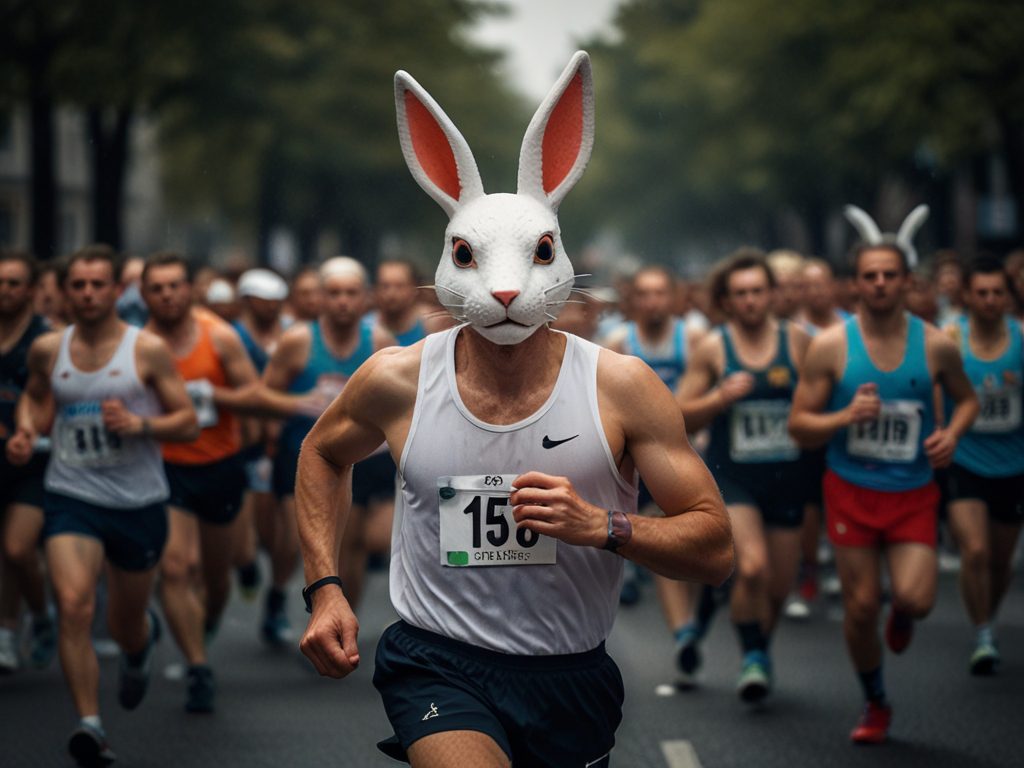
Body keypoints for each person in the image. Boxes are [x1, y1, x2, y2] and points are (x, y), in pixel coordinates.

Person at [296, 52, 733, 768]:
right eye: (468, 257)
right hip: (436, 661)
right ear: (448, 261)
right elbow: (321, 452)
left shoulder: (621, 387)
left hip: (570, 672)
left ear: (559, 260)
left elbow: (714, 549)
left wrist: (601, 526)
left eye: (536, 255)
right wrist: (325, 588)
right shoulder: (398, 379)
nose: (504, 290)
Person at [6, 244, 198, 767]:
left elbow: (186, 419)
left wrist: (141, 426)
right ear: (67, 292)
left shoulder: (146, 350)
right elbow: (37, 394)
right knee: (73, 604)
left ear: (116, 291)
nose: (87, 294)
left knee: (125, 623)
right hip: (72, 495)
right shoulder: (48, 348)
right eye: (78, 285)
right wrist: (27, 428)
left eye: (97, 285)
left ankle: (139, 648)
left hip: (138, 503)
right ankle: (90, 724)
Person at [789, 236, 978, 744]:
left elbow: (967, 401)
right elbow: (799, 425)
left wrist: (952, 435)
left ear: (907, 282)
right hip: (851, 489)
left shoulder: (936, 343)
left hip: (913, 491)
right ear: (855, 284)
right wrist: (844, 416)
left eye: (889, 275)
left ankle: (903, 611)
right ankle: (875, 701)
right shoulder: (831, 346)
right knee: (861, 606)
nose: (879, 283)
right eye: (869, 275)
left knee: (915, 601)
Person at [675, 249, 811, 702]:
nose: (750, 301)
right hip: (735, 478)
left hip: (788, 477)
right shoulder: (715, 346)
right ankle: (752, 656)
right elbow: (677, 414)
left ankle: (758, 650)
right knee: (752, 568)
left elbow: (821, 402)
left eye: (757, 291)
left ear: (772, 294)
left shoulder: (799, 342)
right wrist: (718, 399)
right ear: (727, 301)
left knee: (776, 587)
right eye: (740, 294)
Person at [140, 252, 259, 711]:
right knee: (174, 567)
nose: (168, 294)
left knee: (216, 578)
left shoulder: (220, 336)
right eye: (158, 288)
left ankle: (203, 626)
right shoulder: (138, 343)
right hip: (164, 466)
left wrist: (214, 395)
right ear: (145, 295)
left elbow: (251, 393)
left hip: (219, 464)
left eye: (175, 285)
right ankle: (197, 667)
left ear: (189, 290)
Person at [257, 256, 393, 632]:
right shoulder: (298, 340)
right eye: (334, 294)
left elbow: (400, 400)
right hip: (301, 450)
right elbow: (264, 394)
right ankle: (280, 595)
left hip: (362, 455)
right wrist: (297, 404)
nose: (343, 302)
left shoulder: (378, 342)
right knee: (292, 539)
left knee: (351, 543)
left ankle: (341, 619)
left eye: (351, 293)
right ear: (320, 297)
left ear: (364, 298)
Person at [942, 255, 1024, 675]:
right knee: (975, 550)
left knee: (999, 561)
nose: (991, 300)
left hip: (1014, 465)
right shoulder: (951, 339)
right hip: (965, 460)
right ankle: (982, 633)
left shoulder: (1022, 338)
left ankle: (987, 616)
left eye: (998, 293)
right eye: (982, 293)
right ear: (968, 297)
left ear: (1008, 298)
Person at [605, 265, 706, 607]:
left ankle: (689, 572)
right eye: (644, 294)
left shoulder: (692, 338)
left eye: (660, 293)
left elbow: (702, 389)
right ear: (633, 300)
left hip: (685, 440)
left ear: (674, 297)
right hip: (636, 443)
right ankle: (629, 562)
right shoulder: (619, 340)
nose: (652, 302)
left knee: (683, 514)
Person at [0, 249, 56, 673]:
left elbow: (53, 397)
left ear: (32, 290)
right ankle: (5, 631)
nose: (5, 290)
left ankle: (40, 616)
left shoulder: (45, 340)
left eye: (14, 283)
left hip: (34, 461)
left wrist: (30, 430)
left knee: (18, 549)